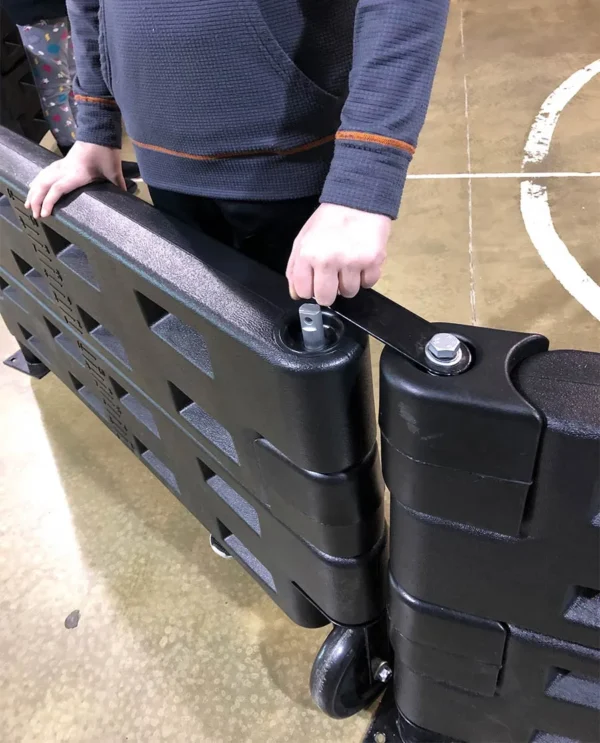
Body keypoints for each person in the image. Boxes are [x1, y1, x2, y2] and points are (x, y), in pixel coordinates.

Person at [25, 0, 450, 305]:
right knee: (212, 341)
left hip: (287, 157)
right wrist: (96, 128)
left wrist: (363, 185)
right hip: (162, 155)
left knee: (303, 366)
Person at [2, 0, 139, 178]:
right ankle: (74, 154)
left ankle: (89, 148)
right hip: (34, 10)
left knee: (76, 78)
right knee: (55, 89)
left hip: (62, 6)